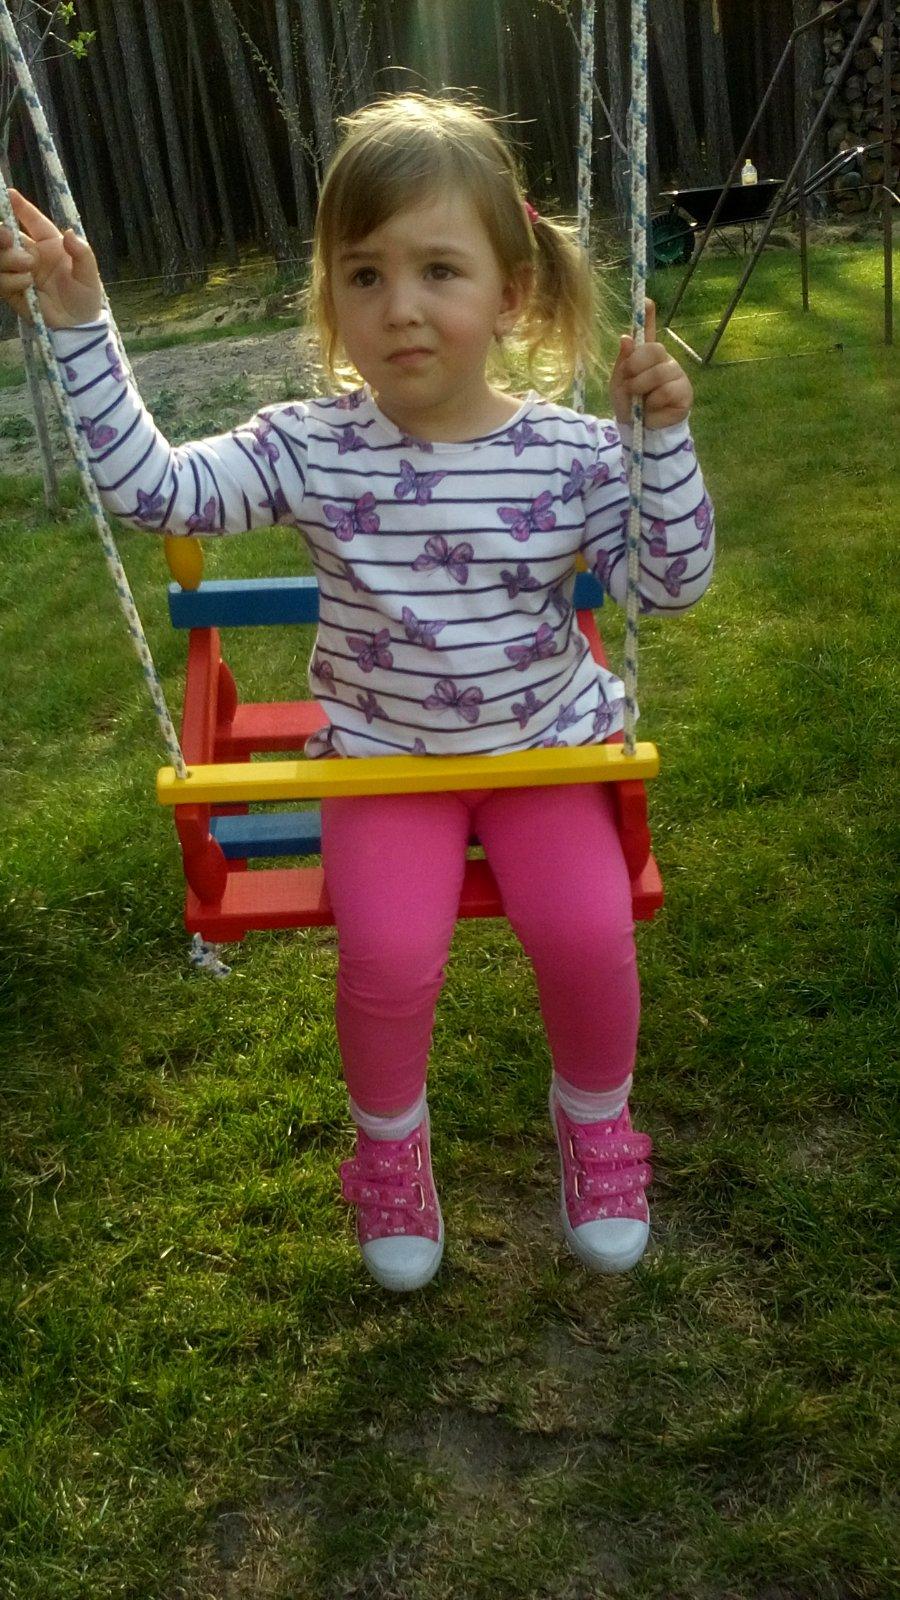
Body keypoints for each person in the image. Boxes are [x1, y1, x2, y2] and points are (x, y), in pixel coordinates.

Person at [0, 94, 714, 1294]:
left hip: (545, 746)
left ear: (511, 294)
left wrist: (661, 442)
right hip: (383, 759)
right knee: (386, 954)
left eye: (439, 270)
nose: (401, 306)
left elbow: (673, 583)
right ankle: (391, 1152)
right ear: (332, 297)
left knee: (589, 933)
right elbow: (155, 492)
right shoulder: (309, 447)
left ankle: (597, 1126)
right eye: (365, 274)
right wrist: (82, 325)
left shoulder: (577, 455)